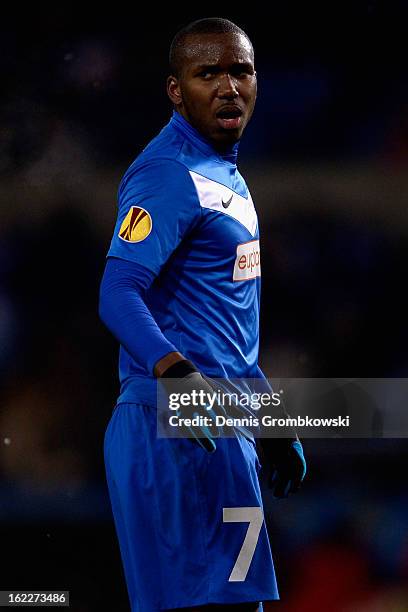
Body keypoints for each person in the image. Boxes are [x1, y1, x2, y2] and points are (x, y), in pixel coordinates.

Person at [99, 17, 306, 612]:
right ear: (175, 90)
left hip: (220, 426)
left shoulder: (227, 178)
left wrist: (269, 417)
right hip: (171, 427)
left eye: (239, 70)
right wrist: (175, 374)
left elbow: (227, 339)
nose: (227, 86)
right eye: (206, 73)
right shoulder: (166, 172)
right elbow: (118, 292)